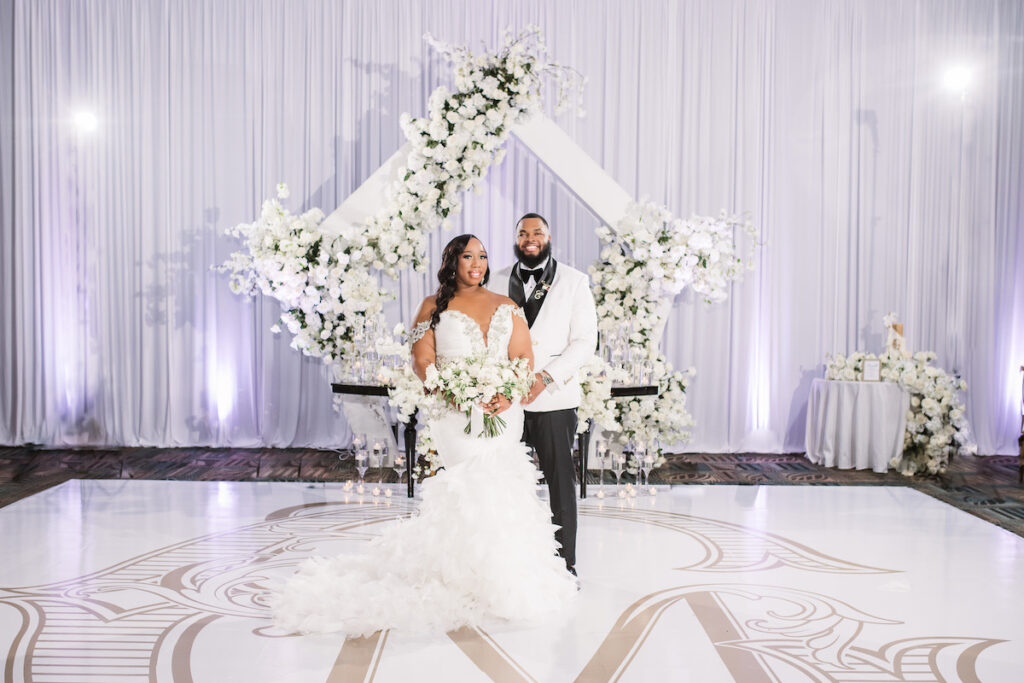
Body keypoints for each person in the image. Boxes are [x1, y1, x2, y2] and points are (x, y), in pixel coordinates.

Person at [271, 234, 576, 636]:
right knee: (469, 487)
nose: (478, 263)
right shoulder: (432, 307)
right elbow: (422, 361)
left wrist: (507, 392)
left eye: (483, 256)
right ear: (452, 261)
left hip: (504, 414)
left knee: (505, 487)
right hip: (456, 417)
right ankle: (461, 577)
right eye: (468, 256)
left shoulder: (507, 305)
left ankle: (506, 579)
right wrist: (457, 393)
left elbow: (523, 358)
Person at [488, 213, 598, 576]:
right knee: (504, 481)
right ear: (516, 239)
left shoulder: (575, 281)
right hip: (507, 402)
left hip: (554, 398)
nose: (529, 239)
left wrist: (546, 377)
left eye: (537, 233)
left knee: (560, 483)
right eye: (523, 233)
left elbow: (585, 341)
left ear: (549, 237)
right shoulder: (497, 279)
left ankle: (565, 564)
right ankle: (509, 561)